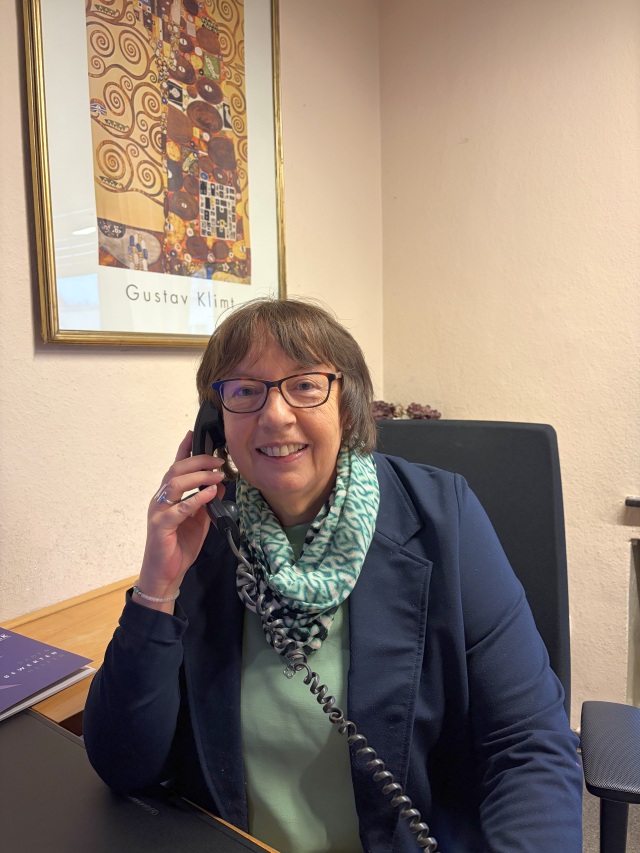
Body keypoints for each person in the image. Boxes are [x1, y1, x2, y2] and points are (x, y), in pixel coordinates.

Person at [83, 298, 583, 852]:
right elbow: (124, 765)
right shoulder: (208, 534)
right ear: (214, 423)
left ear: (348, 405)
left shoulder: (444, 517)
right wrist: (158, 586)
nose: (275, 416)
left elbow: (528, 743)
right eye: (244, 390)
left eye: (304, 385)